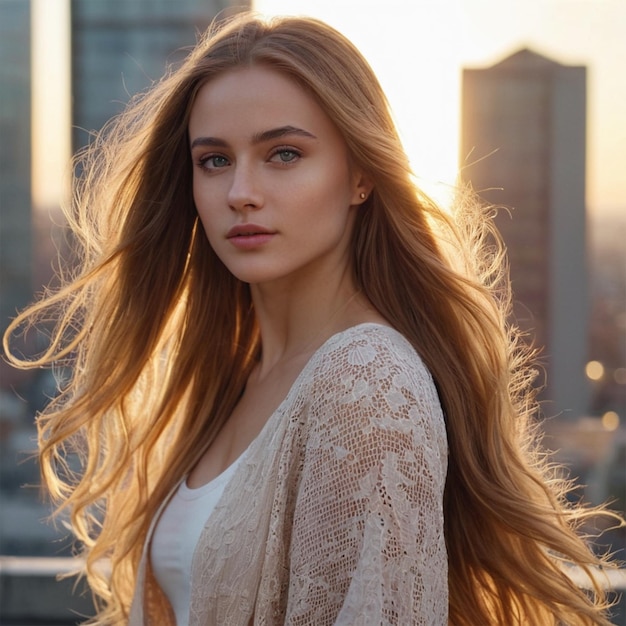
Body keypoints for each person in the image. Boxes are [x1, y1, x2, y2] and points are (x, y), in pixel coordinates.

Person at [3, 12, 622, 626]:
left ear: (359, 175)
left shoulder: (366, 384)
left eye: (284, 153)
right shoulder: (233, 378)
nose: (241, 190)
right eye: (214, 160)